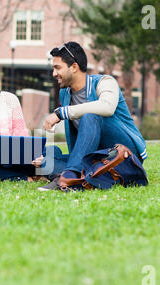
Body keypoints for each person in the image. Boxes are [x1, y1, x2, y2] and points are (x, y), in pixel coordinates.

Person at [39, 41, 147, 191]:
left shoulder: (105, 82)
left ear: (74, 67)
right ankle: (83, 175)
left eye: (57, 68)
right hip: (94, 157)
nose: (54, 74)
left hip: (124, 154)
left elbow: (107, 107)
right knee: (46, 161)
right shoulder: (65, 93)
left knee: (91, 116)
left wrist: (62, 112)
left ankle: (69, 175)